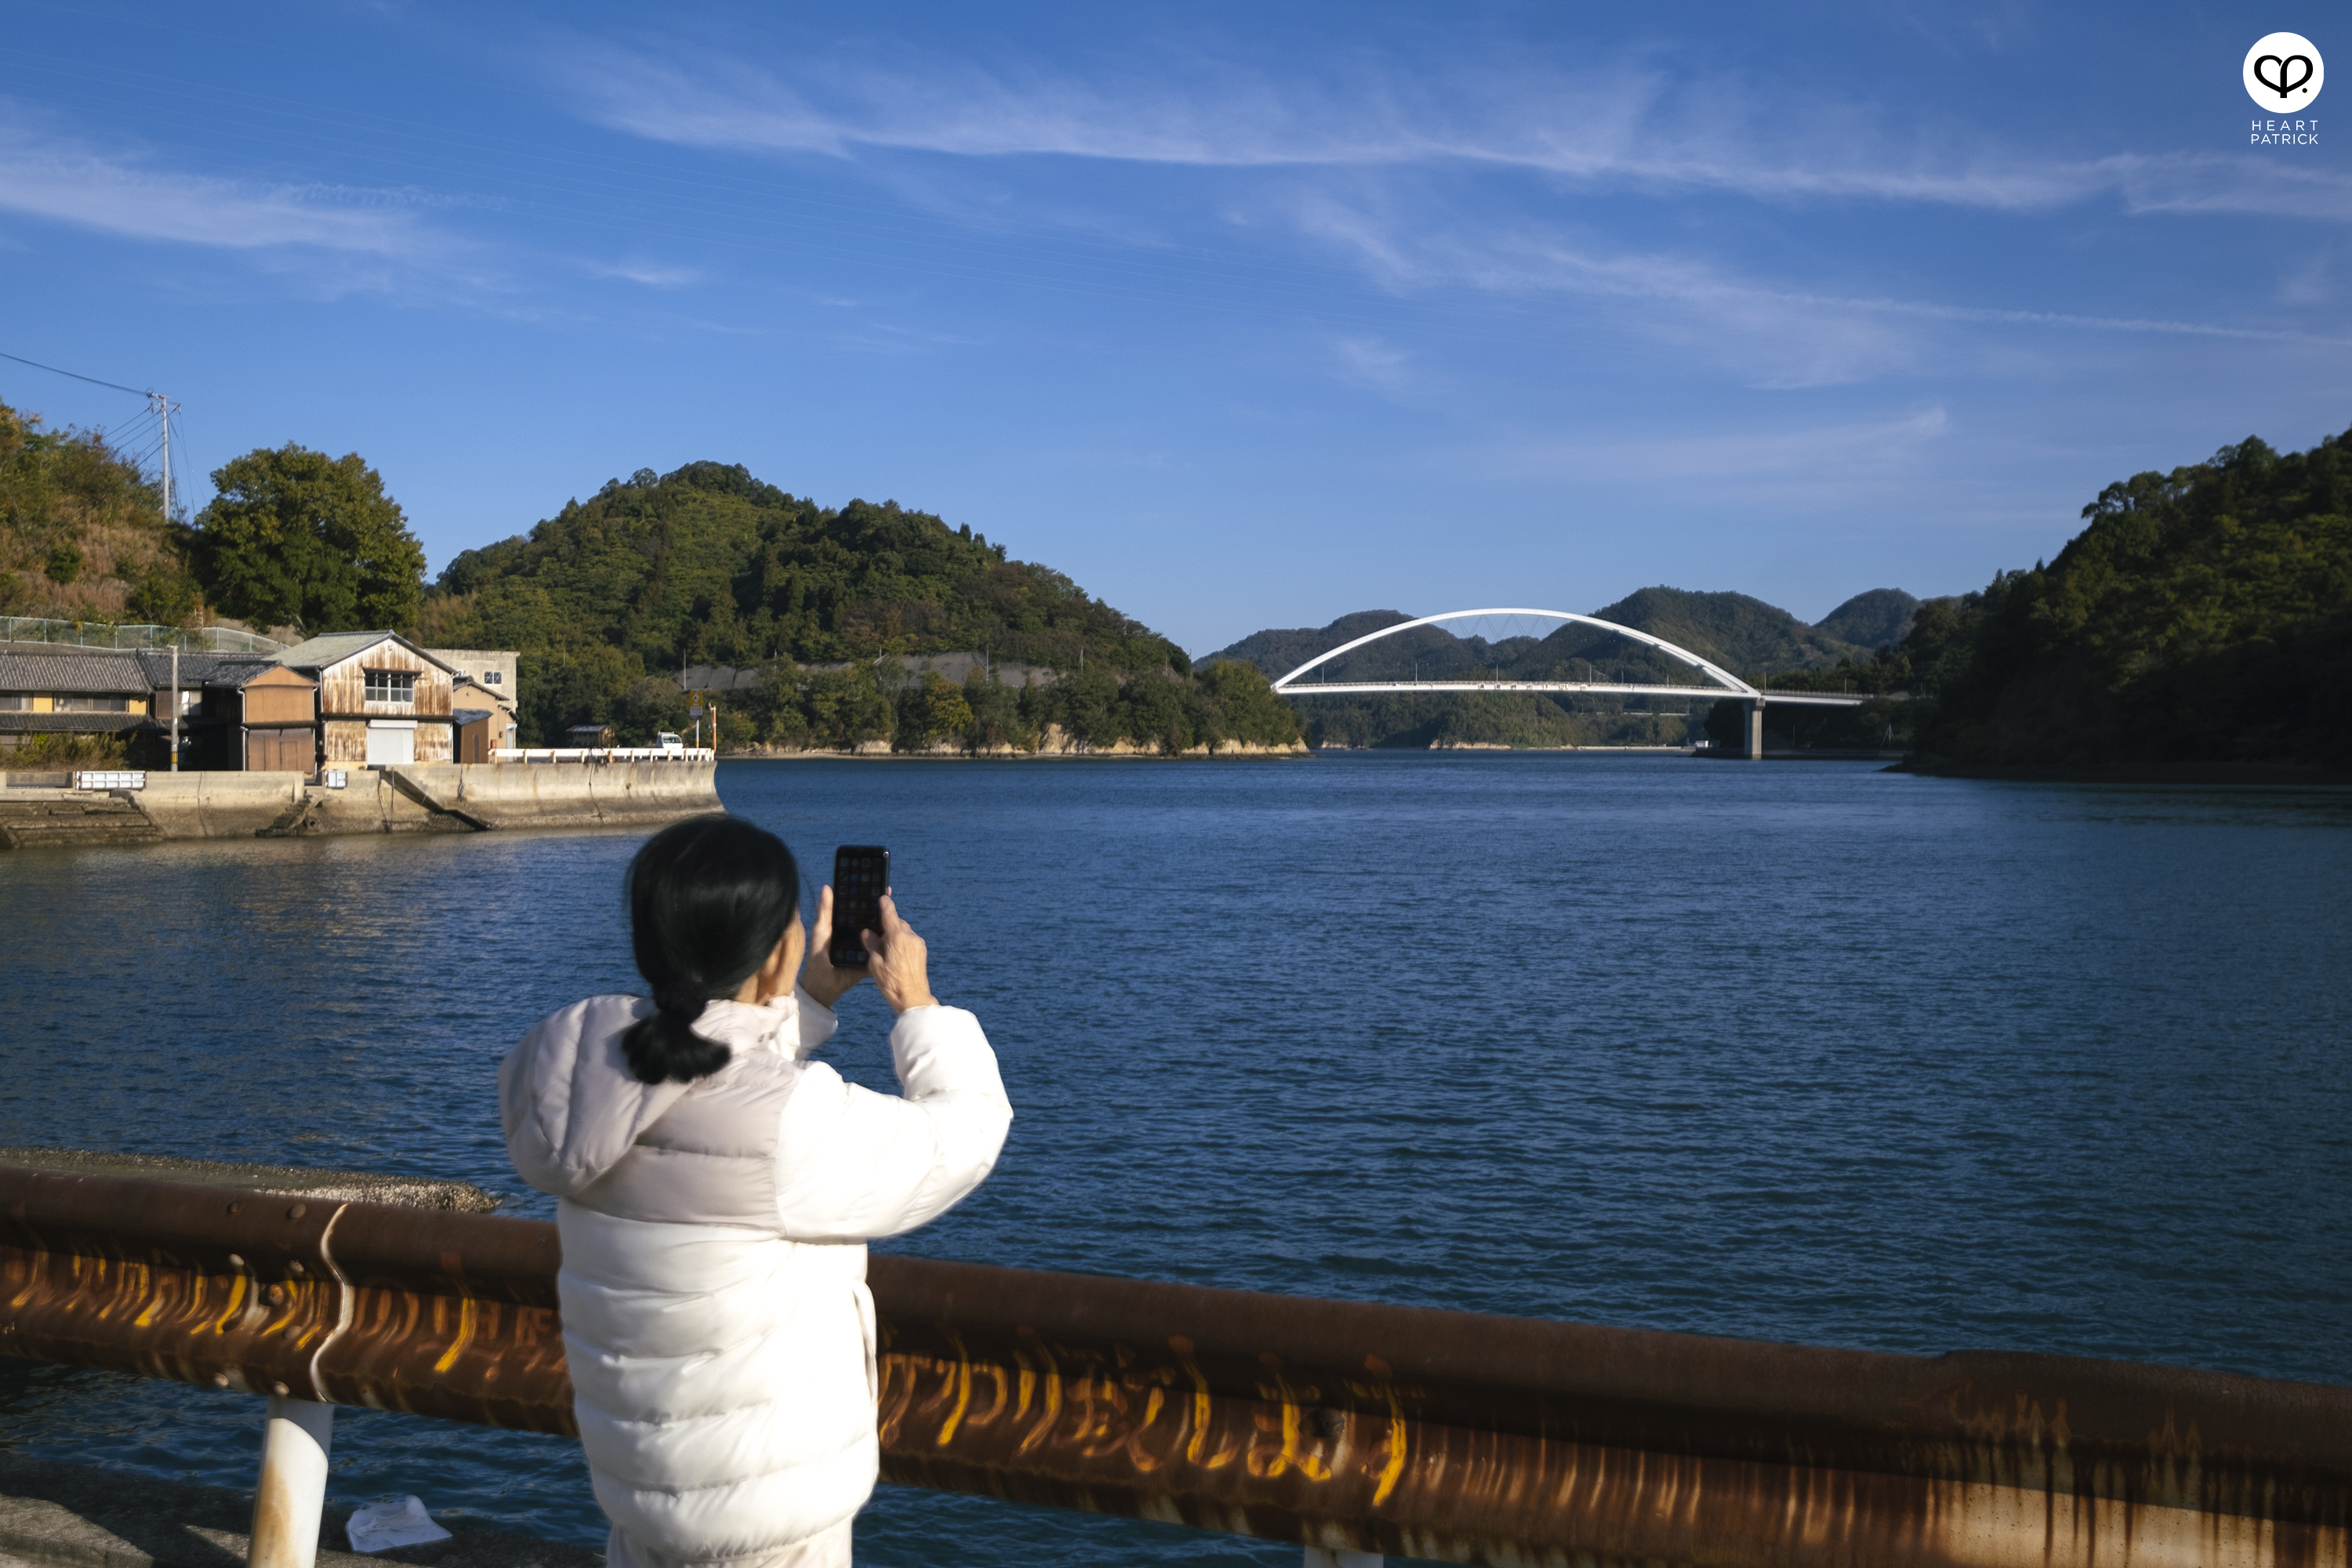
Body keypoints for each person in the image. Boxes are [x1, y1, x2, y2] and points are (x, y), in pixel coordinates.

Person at [499, 815, 1012, 1568]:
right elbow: (961, 1137)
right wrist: (917, 1005)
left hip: (642, 1498)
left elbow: (710, 1084)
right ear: (776, 948)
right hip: (765, 1523)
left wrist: (800, 1003)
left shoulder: (579, 1074)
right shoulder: (789, 1126)